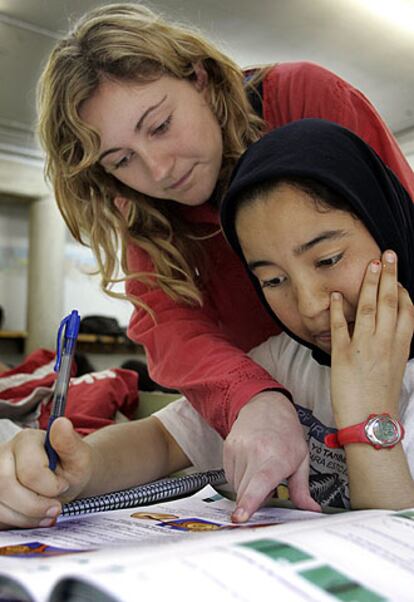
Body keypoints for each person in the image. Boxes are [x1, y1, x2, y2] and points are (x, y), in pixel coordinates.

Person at [35, 2, 414, 519]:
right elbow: (170, 379)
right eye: (122, 160)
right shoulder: (282, 358)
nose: (160, 170)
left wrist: (370, 408)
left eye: (161, 125)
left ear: (202, 79)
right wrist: (251, 398)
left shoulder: (303, 96)